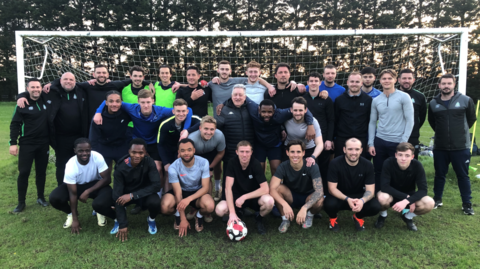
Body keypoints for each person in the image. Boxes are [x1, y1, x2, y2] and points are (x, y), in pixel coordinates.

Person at [93, 90, 194, 194]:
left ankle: (158, 193)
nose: (146, 105)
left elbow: (189, 110)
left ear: (153, 101)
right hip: (138, 143)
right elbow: (109, 101)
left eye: (148, 102)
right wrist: (98, 112)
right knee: (135, 168)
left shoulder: (160, 111)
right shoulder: (131, 108)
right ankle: (136, 193)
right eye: (143, 102)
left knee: (158, 168)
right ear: (138, 102)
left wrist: (186, 129)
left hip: (154, 142)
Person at [16, 72, 89, 186]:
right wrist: (21, 96)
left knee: (81, 162)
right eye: (65, 79)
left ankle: (80, 187)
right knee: (61, 164)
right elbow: (34, 92)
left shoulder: (82, 91)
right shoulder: (51, 92)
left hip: (79, 136)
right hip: (60, 137)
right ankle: (62, 188)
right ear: (60, 81)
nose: (68, 82)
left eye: (71, 79)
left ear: (75, 81)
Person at [428, 74, 476, 215]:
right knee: (439, 174)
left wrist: (459, 133)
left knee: (463, 175)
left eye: (449, 83)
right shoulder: (433, 103)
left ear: (454, 85)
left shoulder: (466, 100)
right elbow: (432, 122)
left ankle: (467, 203)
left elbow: (471, 119)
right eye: (443, 83)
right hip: (440, 147)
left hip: (460, 146)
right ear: (439, 85)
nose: (446, 86)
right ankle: (437, 199)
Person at [48, 138, 115, 234]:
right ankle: (71, 214)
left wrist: (88, 191)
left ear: (90, 149)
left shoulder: (97, 157)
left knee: (101, 202)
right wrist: (75, 220)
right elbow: (73, 194)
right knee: (54, 198)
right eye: (81, 151)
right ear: (75, 151)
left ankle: (100, 211)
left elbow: (107, 179)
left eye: (87, 150)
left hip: (96, 184)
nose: (84, 153)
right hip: (77, 185)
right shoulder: (71, 165)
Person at [243, 97, 315, 177]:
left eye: (270, 112)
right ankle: (261, 187)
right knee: (259, 168)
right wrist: (225, 103)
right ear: (259, 110)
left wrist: (310, 124)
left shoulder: (280, 114)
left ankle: (275, 187)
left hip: (275, 144)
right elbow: (243, 96)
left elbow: (305, 110)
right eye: (263, 112)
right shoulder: (253, 109)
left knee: (276, 168)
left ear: (274, 111)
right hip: (259, 144)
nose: (266, 114)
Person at [9, 78, 52, 212]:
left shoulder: (45, 100)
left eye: (38, 87)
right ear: (27, 89)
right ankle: (21, 202)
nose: (36, 90)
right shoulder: (22, 103)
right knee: (24, 172)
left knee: (41, 171)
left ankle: (40, 197)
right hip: (27, 143)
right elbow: (15, 124)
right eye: (32, 87)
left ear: (41, 88)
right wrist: (13, 143)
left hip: (44, 143)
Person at [368, 69, 414, 193]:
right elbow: (372, 122)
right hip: (380, 141)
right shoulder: (376, 100)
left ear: (395, 80)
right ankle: (380, 200)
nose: (387, 81)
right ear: (380, 80)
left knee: (399, 172)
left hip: (398, 142)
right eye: (384, 78)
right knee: (379, 171)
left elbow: (410, 121)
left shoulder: (404, 97)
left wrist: (403, 142)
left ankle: (402, 201)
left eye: (389, 78)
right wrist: (371, 143)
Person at [215, 141, 274, 235]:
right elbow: (227, 188)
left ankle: (259, 218)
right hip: (235, 196)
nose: (244, 155)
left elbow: (265, 189)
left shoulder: (255, 163)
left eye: (247, 152)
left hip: (252, 197)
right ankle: (237, 212)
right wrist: (232, 213)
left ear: (251, 152)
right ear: (236, 152)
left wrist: (244, 197)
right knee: (220, 210)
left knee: (269, 201)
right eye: (242, 151)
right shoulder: (231, 163)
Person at [109, 138, 162, 241]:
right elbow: (117, 194)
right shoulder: (120, 167)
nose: (137, 155)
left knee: (155, 202)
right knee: (108, 201)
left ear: (145, 153)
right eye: (134, 152)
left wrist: (132, 195)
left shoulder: (150, 162)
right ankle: (118, 220)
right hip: (125, 195)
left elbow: (156, 185)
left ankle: (151, 219)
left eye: (141, 153)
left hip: (142, 194)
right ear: (129, 151)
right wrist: (123, 224)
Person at [161, 139, 215, 237]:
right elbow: (178, 193)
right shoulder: (173, 167)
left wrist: (188, 199)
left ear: (194, 150)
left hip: (198, 192)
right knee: (165, 207)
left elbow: (205, 188)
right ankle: (177, 213)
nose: (186, 153)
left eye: (189, 150)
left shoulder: (203, 162)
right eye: (183, 150)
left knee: (210, 206)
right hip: (181, 191)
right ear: (179, 152)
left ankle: (199, 215)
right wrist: (183, 219)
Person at [325, 138, 381, 232]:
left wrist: (362, 201)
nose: (353, 152)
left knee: (375, 206)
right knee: (329, 204)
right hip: (340, 196)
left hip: (359, 196)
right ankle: (333, 218)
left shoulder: (367, 165)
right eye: (350, 149)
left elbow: (370, 191)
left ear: (361, 150)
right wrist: (348, 199)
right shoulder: (335, 163)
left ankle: (358, 217)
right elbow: (332, 189)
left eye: (357, 149)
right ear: (344, 149)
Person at [376, 143, 435, 231]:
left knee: (429, 203)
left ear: (412, 156)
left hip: (409, 196)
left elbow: (423, 190)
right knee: (381, 197)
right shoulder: (388, 162)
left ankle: (407, 217)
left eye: (407, 155)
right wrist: (406, 197)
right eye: (400, 155)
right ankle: (383, 215)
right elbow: (384, 186)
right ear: (396, 155)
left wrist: (408, 200)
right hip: (390, 195)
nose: (403, 158)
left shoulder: (417, 165)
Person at [269, 140, 324, 233]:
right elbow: (272, 189)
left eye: (298, 152)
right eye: (292, 152)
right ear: (287, 153)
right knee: (277, 189)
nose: (295, 155)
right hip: (291, 196)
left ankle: (309, 216)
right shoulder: (283, 166)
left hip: (307, 196)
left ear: (303, 153)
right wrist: (284, 204)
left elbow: (319, 191)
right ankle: (285, 219)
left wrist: (305, 208)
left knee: (320, 199)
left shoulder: (312, 165)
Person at [216, 84, 256, 200]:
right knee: (228, 179)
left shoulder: (251, 108)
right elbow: (216, 128)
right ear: (231, 96)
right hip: (230, 152)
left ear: (245, 97)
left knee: (245, 179)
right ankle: (225, 204)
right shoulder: (223, 110)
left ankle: (244, 204)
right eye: (235, 95)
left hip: (248, 152)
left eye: (240, 95)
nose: (237, 97)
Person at [158, 98, 201, 191]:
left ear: (187, 111)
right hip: (169, 151)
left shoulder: (194, 119)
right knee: (169, 172)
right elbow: (160, 145)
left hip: (185, 151)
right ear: (173, 111)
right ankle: (166, 195)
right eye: (178, 111)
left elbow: (203, 122)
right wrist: (165, 163)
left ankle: (188, 192)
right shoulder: (165, 124)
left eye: (183, 111)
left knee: (187, 172)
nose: (181, 114)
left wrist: (187, 131)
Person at [89, 90, 131, 177]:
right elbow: (93, 139)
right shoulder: (98, 117)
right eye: (111, 101)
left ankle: (123, 190)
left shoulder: (126, 113)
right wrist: (94, 155)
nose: (114, 104)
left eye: (117, 101)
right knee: (103, 176)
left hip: (122, 147)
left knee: (125, 174)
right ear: (106, 103)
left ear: (121, 102)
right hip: (104, 147)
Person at [303, 72, 334, 187]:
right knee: (308, 165)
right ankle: (308, 189)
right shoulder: (302, 99)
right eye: (311, 81)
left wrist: (329, 139)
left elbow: (331, 120)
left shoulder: (326, 100)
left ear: (320, 83)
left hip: (323, 137)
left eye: (316, 81)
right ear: (307, 83)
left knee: (323, 166)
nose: (313, 83)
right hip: (306, 138)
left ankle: (324, 192)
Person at [334, 72, 373, 159]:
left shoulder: (368, 100)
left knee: (360, 165)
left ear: (361, 83)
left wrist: (369, 141)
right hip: (342, 138)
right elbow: (335, 120)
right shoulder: (339, 100)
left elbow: (370, 120)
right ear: (347, 82)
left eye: (357, 82)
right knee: (340, 164)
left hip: (361, 138)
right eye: (352, 82)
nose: (354, 84)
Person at [188, 116, 226, 201]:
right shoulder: (192, 138)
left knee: (214, 170)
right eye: (206, 129)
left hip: (212, 152)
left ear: (215, 129)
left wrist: (210, 168)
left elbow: (221, 153)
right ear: (200, 128)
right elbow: (188, 157)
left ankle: (217, 189)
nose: (209, 132)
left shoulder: (219, 135)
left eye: (212, 129)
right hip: (196, 155)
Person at [284, 97, 324, 167]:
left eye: (300, 110)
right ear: (291, 110)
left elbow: (320, 144)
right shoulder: (286, 120)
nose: (298, 113)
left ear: (306, 110)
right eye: (295, 110)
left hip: (308, 149)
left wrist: (313, 157)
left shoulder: (313, 122)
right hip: (290, 149)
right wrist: (281, 129)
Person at [398, 69, 427, 159]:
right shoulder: (392, 94)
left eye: (409, 78)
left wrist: (414, 128)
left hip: (412, 136)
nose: (407, 81)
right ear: (399, 80)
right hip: (394, 134)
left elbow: (422, 117)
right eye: (404, 78)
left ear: (413, 80)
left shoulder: (420, 96)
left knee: (412, 162)